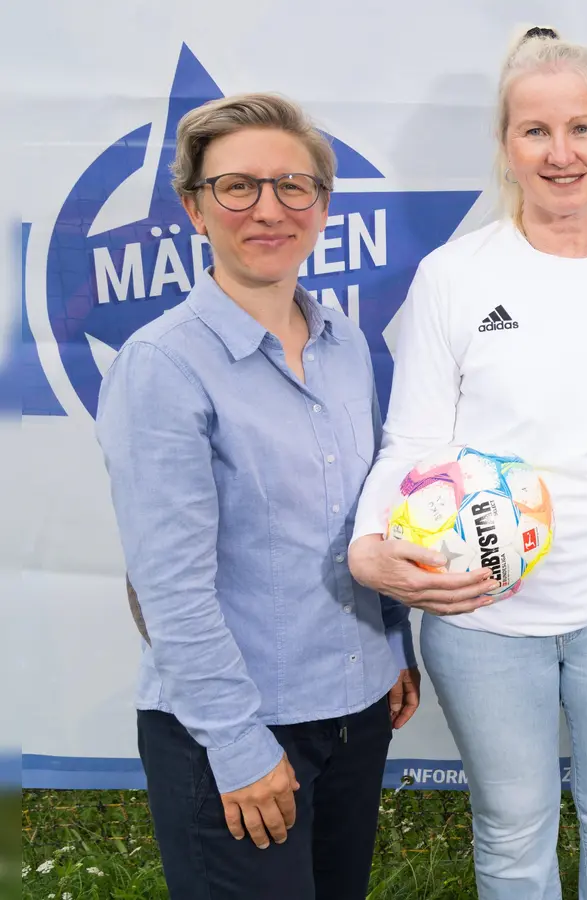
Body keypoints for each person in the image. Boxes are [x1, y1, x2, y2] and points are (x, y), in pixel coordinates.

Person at [346, 26, 587, 900]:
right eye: (535, 132)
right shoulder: (452, 276)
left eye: (582, 129)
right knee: (512, 826)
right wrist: (371, 548)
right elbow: (411, 444)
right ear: (506, 148)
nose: (561, 154)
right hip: (481, 619)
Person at [96, 92, 419, 899]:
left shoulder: (345, 345)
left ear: (322, 205)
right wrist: (238, 745)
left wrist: (392, 645)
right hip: (237, 732)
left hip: (355, 711)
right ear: (194, 209)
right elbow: (169, 588)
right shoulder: (163, 367)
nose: (268, 209)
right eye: (237, 187)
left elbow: (364, 513)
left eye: (292, 186)